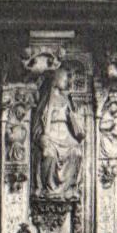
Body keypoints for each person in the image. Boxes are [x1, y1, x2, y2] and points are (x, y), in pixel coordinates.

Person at [33, 68, 84, 200]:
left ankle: (69, 188)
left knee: (76, 151)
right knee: (49, 154)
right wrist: (41, 136)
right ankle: (50, 188)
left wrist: (72, 117)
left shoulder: (66, 100)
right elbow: (38, 123)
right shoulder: (46, 99)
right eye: (64, 79)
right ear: (55, 80)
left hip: (65, 134)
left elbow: (73, 121)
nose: (66, 82)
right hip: (52, 134)